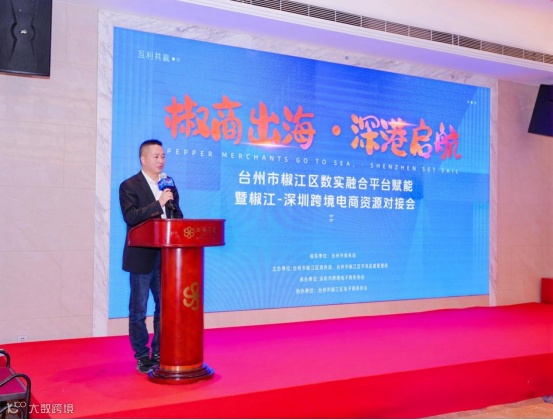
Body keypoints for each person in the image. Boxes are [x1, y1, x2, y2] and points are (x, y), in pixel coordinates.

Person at [119, 139, 183, 374]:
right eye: (156, 156)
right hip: (141, 256)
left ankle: (159, 351)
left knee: (164, 308)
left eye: (163, 156)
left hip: (166, 256)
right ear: (143, 159)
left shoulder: (169, 184)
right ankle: (141, 355)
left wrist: (172, 210)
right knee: (138, 310)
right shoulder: (129, 186)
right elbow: (131, 216)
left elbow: (177, 215)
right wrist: (159, 203)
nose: (161, 160)